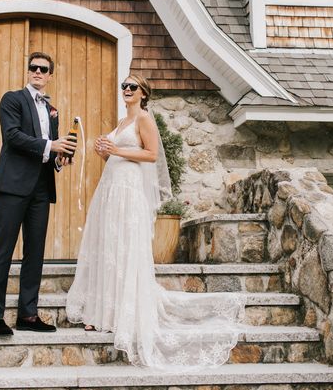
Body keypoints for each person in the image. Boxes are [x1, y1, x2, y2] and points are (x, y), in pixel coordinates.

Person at [66, 74, 246, 368]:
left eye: (132, 87)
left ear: (143, 93)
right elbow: (120, 156)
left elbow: (150, 155)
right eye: (124, 86)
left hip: (129, 193)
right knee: (109, 251)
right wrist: (104, 152)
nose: (126, 90)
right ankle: (100, 314)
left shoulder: (145, 119)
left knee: (125, 251)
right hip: (111, 190)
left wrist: (116, 150)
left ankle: (122, 316)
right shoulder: (122, 122)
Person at [0, 51, 76, 336]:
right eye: (33, 68)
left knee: (34, 252)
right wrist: (52, 146)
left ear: (50, 75)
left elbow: (51, 151)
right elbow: (12, 136)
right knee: (2, 249)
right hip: (13, 185)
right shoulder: (12, 99)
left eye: (43, 69)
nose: (38, 72)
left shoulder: (53, 110)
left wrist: (61, 158)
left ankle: (28, 314)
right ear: (28, 72)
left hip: (41, 188)